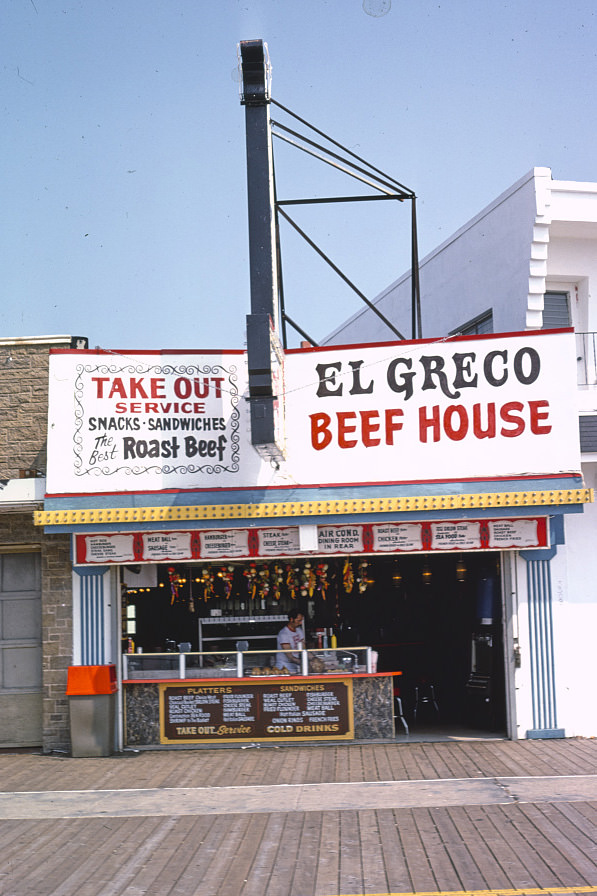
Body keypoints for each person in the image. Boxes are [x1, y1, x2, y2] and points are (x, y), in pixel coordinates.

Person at [276, 610, 305, 674]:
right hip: (283, 667)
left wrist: (314, 658)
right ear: (291, 619)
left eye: (301, 620)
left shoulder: (299, 630)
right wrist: (305, 662)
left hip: (295, 666)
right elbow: (290, 657)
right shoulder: (284, 634)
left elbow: (304, 649)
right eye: (299, 620)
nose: (301, 623)